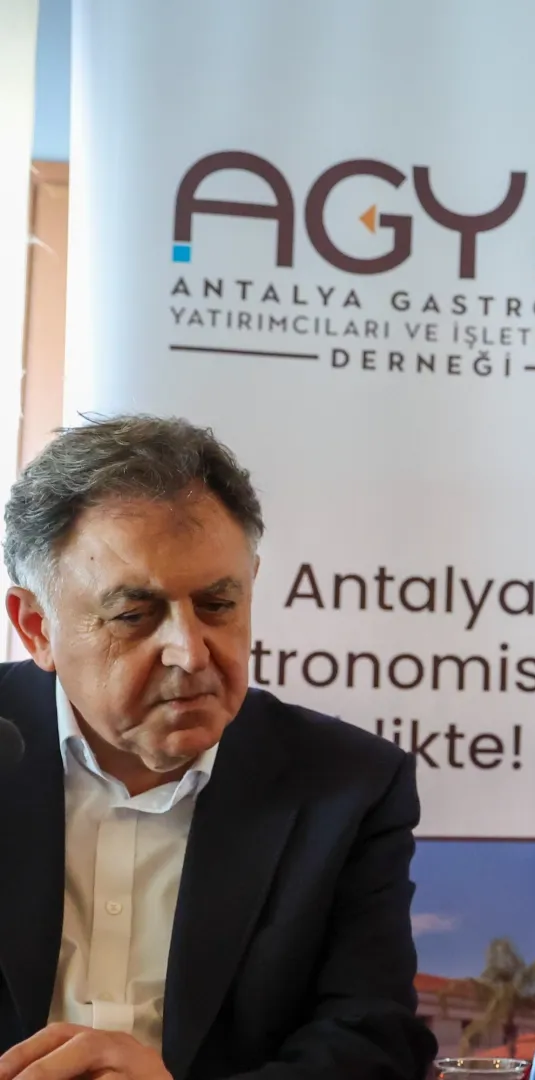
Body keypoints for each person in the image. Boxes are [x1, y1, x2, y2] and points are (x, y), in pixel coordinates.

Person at [0, 416, 435, 1080]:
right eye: (133, 615)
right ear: (36, 627)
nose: (190, 652)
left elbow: (371, 1047)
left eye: (218, 605)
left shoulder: (347, 786)